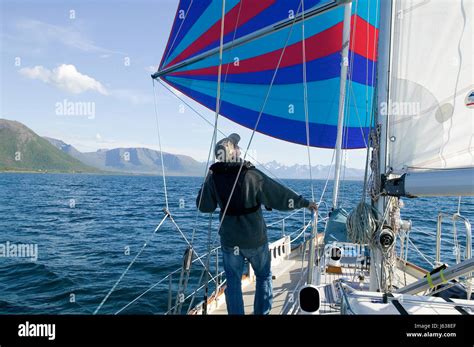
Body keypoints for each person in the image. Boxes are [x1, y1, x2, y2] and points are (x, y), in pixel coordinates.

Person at [196, 133, 317, 315]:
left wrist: (207, 178)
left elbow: (204, 207)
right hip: (255, 240)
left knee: (233, 281)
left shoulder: (214, 179)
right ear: (233, 153)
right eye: (236, 147)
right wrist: (305, 203)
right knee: (263, 276)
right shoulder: (252, 176)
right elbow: (280, 196)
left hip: (230, 242)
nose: (239, 149)